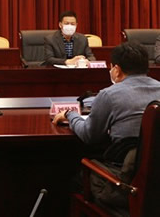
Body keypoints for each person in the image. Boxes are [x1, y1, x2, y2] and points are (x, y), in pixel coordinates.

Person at [53, 42, 160, 211]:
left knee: (74, 177)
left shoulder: (109, 94)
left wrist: (70, 115)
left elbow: (89, 135)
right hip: (155, 185)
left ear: (116, 69)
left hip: (126, 185)